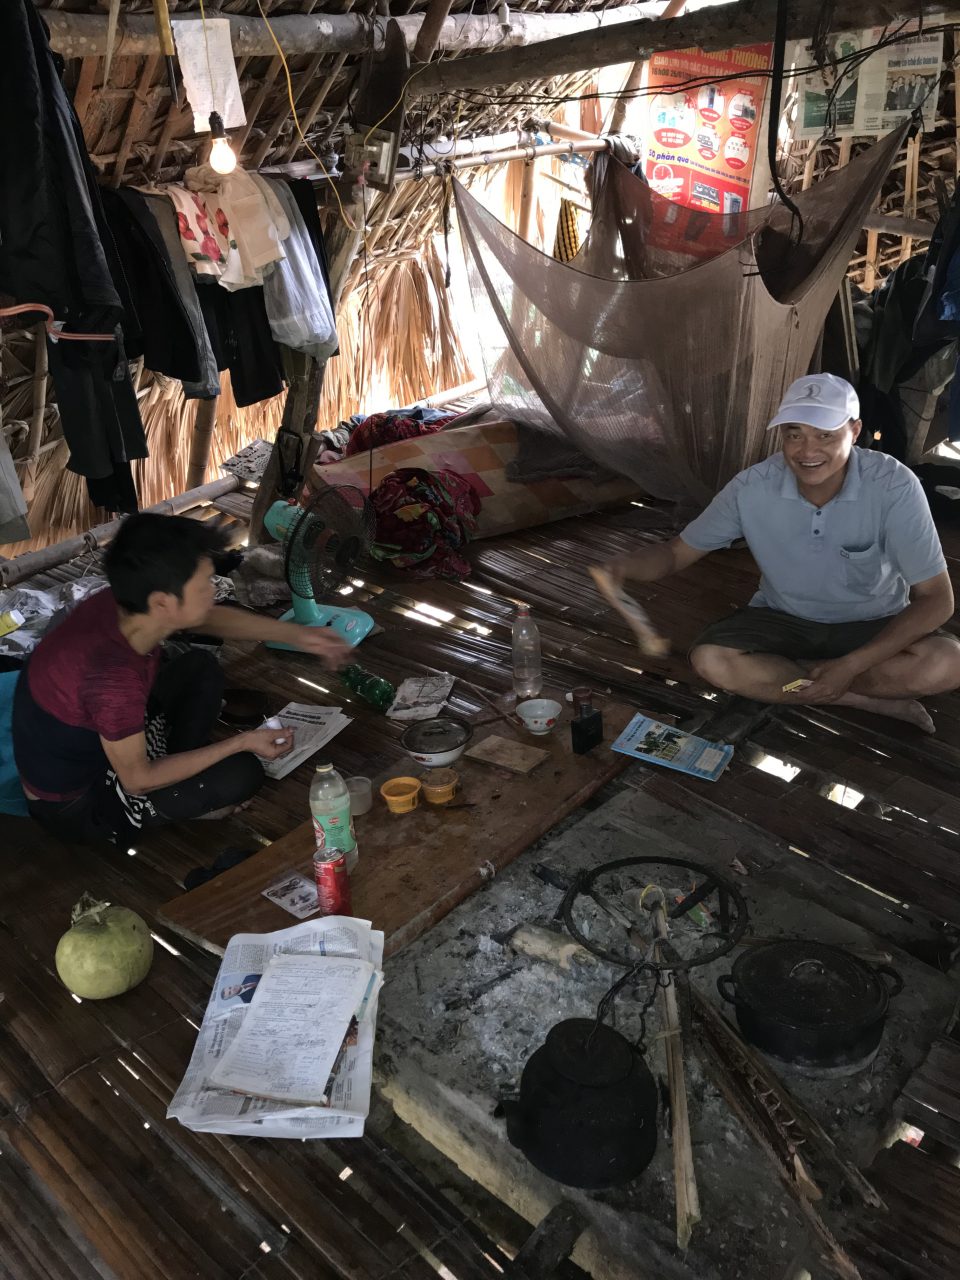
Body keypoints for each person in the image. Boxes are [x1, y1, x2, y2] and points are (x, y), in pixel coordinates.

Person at [603, 374, 960, 733]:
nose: (807, 451)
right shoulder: (751, 488)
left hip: (873, 621)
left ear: (854, 431)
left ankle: (794, 679)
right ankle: (859, 699)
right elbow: (676, 553)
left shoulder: (893, 485)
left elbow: (937, 599)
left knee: (949, 663)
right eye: (794, 434)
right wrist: (623, 567)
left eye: (824, 434)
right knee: (712, 660)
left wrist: (851, 664)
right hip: (785, 619)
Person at [13, 512, 348, 844]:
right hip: (82, 802)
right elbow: (136, 780)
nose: (212, 591)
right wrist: (242, 741)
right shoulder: (112, 679)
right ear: (163, 603)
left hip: (102, 740)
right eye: (203, 585)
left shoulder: (124, 604)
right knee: (243, 772)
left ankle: (178, 773)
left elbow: (206, 618)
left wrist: (299, 635)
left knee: (200, 667)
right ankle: (175, 799)